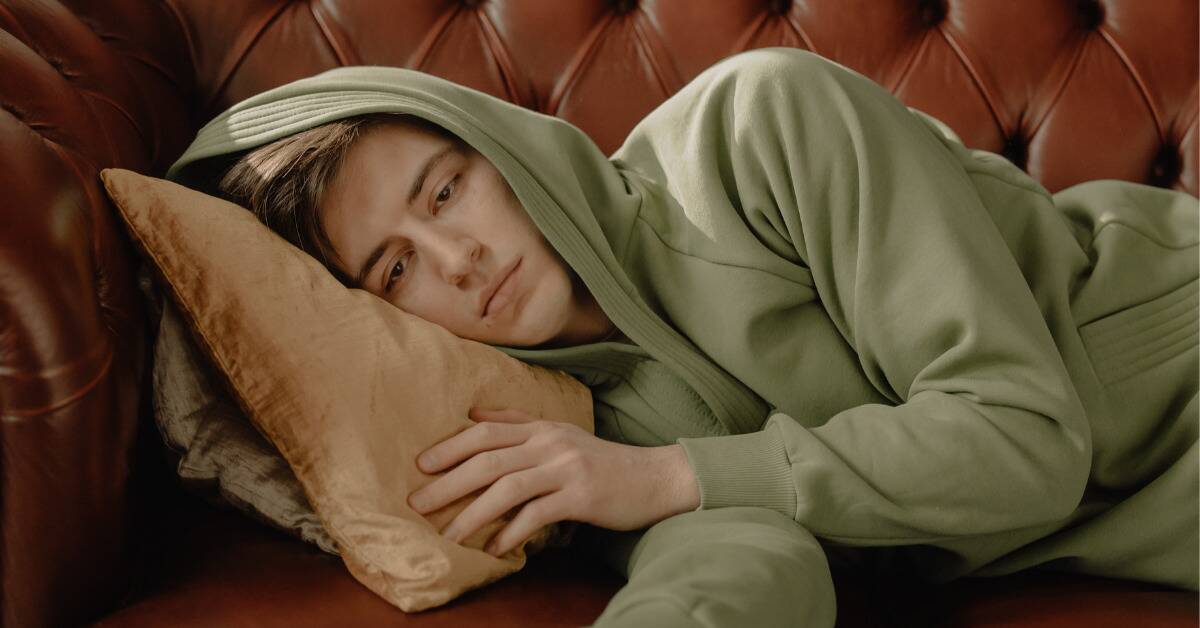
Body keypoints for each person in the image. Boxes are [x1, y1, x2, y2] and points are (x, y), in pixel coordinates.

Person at [168, 48, 1199, 627]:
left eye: (447, 188)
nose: (458, 260)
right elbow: (740, 554)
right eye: (395, 269)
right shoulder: (553, 422)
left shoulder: (762, 125)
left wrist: (669, 474)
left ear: (495, 143)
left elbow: (1022, 434)